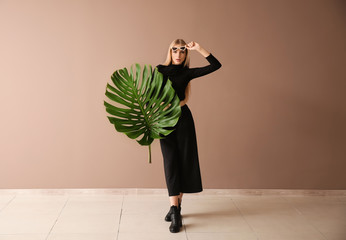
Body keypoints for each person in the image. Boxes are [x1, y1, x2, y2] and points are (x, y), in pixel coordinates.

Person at [155, 39, 222, 233]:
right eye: (174, 50)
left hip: (183, 120)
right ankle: (174, 208)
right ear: (170, 51)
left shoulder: (187, 72)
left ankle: (176, 209)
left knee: (184, 162)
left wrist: (199, 48)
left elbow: (216, 65)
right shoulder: (159, 70)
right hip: (163, 121)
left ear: (186, 54)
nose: (178, 54)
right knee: (170, 163)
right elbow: (150, 94)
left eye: (182, 51)